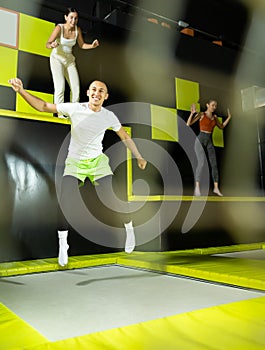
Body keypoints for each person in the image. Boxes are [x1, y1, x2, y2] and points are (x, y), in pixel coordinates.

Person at [8, 78, 147, 266]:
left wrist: (139, 156)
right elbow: (43, 106)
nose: (97, 93)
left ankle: (129, 229)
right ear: (88, 93)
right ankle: (63, 244)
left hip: (97, 162)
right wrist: (21, 91)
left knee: (114, 197)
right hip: (75, 162)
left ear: (105, 97)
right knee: (65, 201)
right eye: (94, 90)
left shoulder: (109, 116)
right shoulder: (74, 108)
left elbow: (124, 136)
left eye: (101, 91)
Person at [46, 7, 99, 117]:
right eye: (71, 18)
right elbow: (48, 43)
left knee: (76, 88)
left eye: (75, 18)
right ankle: (60, 115)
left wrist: (92, 46)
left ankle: (73, 114)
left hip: (69, 60)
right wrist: (52, 45)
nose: (73, 21)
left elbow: (82, 45)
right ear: (66, 17)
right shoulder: (59, 28)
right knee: (60, 87)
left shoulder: (77, 30)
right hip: (57, 59)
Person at [186, 100, 231, 197]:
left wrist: (229, 117)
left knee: (214, 164)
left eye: (215, 106)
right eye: (212, 105)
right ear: (207, 105)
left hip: (209, 140)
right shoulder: (202, 114)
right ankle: (197, 188)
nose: (214, 107)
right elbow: (188, 124)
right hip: (200, 139)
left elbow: (222, 126)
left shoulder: (214, 118)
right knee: (201, 163)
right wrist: (192, 114)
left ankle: (216, 188)